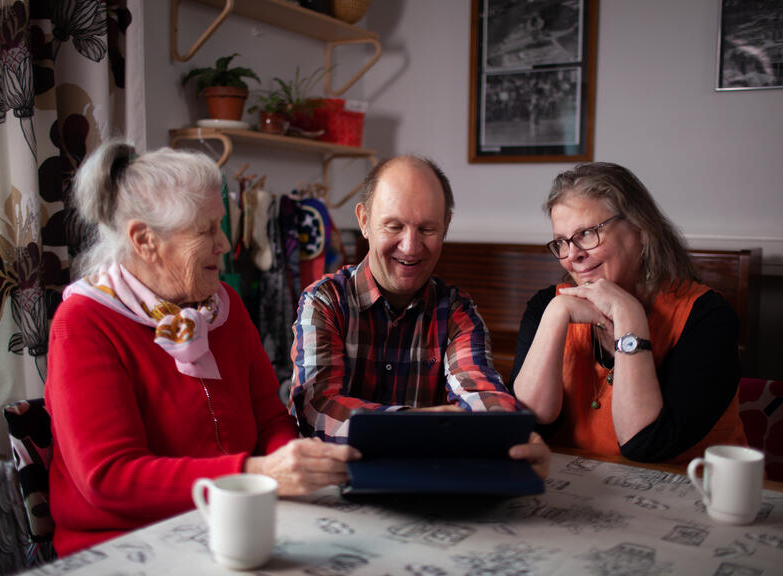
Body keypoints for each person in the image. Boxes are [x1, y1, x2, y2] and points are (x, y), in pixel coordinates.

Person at [45, 139, 358, 556]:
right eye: (206, 230)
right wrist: (257, 473)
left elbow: (269, 420)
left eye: (221, 225)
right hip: (123, 546)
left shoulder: (223, 305)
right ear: (144, 240)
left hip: (231, 523)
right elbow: (109, 478)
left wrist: (292, 462)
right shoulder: (85, 323)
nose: (225, 245)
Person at [289, 155, 550, 478]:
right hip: (336, 487)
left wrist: (509, 434)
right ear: (364, 221)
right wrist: (421, 424)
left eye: (426, 228)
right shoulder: (324, 301)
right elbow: (317, 411)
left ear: (446, 227)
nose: (410, 247)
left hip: (431, 488)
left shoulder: (459, 311)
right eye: (394, 226)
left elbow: (484, 396)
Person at [510, 162, 747, 463]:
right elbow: (532, 419)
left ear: (641, 231)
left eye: (586, 233)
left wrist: (628, 314)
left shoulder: (708, 318)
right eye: (561, 242)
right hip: (580, 493)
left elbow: (645, 444)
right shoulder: (547, 305)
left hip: (692, 496)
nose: (572, 256)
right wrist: (556, 314)